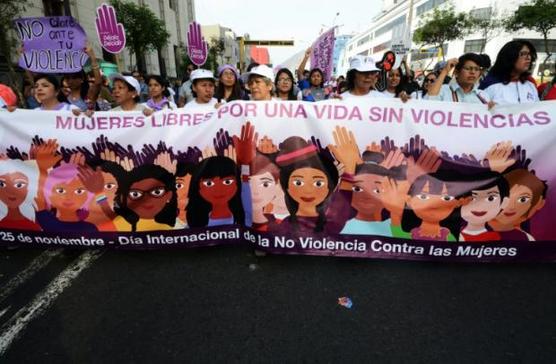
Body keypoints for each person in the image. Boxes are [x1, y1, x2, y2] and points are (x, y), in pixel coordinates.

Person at [480, 40, 539, 104]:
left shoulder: (530, 85)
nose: (529, 58)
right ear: (510, 56)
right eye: (524, 54)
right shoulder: (490, 85)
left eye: (529, 54)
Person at [426, 53, 492, 105]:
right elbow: (428, 103)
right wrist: (445, 71)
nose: (473, 72)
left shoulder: (484, 97)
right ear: (457, 72)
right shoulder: (443, 91)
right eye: (468, 68)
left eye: (476, 69)